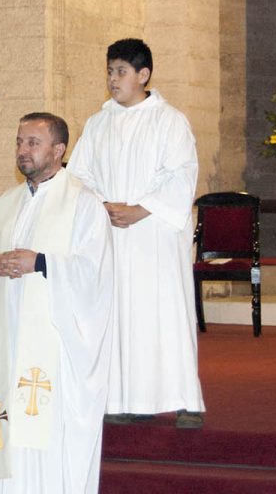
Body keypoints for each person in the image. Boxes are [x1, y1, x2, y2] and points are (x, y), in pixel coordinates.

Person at [0, 112, 114, 493]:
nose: (23, 150)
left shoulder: (83, 204)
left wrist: (42, 262)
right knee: (11, 433)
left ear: (59, 149)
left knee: (47, 437)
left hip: (55, 350)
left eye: (33, 142)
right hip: (9, 342)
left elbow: (94, 272)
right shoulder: (6, 203)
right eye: (19, 142)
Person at [66, 38, 205, 428]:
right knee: (120, 316)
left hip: (155, 235)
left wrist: (140, 209)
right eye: (110, 71)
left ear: (143, 75)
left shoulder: (169, 120)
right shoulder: (98, 122)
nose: (113, 79)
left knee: (163, 315)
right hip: (111, 231)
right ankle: (125, 398)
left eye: (121, 72)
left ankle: (184, 399)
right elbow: (79, 175)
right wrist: (103, 206)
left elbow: (181, 175)